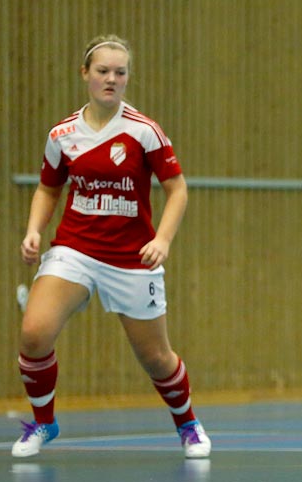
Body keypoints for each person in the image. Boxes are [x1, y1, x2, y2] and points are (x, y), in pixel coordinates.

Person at [12, 35, 209, 459]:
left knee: (156, 358)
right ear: (85, 74)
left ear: (127, 79)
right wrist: (33, 230)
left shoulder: (144, 131)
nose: (111, 79)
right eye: (103, 71)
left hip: (130, 258)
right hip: (75, 248)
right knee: (34, 332)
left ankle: (188, 424)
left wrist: (162, 239)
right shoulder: (62, 134)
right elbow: (48, 189)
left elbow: (177, 189)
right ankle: (43, 423)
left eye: (120, 73)